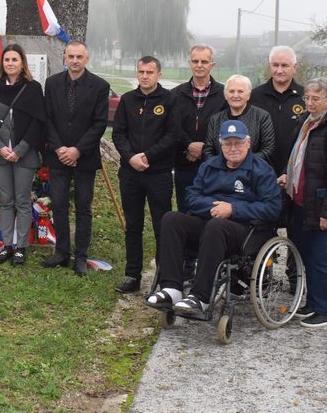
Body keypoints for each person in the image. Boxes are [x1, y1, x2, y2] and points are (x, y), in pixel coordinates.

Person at [144, 120, 281, 314]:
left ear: (248, 143)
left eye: (238, 142)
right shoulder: (209, 166)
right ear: (220, 144)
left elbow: (272, 208)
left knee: (216, 226)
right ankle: (171, 289)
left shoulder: (261, 170)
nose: (233, 148)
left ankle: (201, 297)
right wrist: (213, 207)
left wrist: (233, 209)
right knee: (170, 219)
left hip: (245, 231)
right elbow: (191, 196)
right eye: (228, 143)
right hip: (210, 223)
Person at [278, 78, 327, 328]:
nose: (309, 103)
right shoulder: (308, 122)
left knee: (321, 255)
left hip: (320, 203)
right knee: (307, 254)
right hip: (300, 200)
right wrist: (289, 176)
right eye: (307, 98)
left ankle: (326, 309)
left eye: (315, 99)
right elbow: (302, 159)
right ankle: (313, 301)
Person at [42, 41, 109, 275]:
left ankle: (80, 256)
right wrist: (60, 148)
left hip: (84, 157)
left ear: (87, 59)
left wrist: (77, 150)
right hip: (58, 156)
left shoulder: (100, 86)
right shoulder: (51, 84)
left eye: (79, 56)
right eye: (71, 56)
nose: (75, 60)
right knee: (58, 204)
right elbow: (47, 118)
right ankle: (61, 252)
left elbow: (100, 123)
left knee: (83, 207)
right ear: (64, 57)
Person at [112, 56, 178, 293]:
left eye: (150, 72)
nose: (145, 76)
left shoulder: (170, 100)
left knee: (162, 226)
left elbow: (172, 135)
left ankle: (163, 277)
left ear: (159, 74)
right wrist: (131, 158)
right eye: (141, 72)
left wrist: (148, 157)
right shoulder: (128, 100)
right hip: (130, 174)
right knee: (133, 226)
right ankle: (132, 276)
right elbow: (118, 133)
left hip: (158, 173)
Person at [0, 43, 46, 265]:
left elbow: (37, 123)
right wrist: (0, 147)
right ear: (2, 63)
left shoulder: (33, 88)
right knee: (6, 201)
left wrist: (19, 150)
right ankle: (7, 245)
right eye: (7, 60)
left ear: (22, 64)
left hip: (24, 155)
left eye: (14, 60)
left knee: (22, 201)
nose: (10, 63)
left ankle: (21, 248)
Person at [170, 45, 228, 211]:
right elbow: (173, 125)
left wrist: (204, 148)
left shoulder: (224, 94)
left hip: (214, 165)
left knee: (211, 212)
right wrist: (188, 144)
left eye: (204, 61)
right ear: (190, 63)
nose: (199, 65)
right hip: (184, 163)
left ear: (212, 65)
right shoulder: (175, 94)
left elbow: (224, 126)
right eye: (195, 61)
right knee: (185, 210)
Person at [249, 45, 306, 178]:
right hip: (260, 172)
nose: (279, 70)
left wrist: (289, 171)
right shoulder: (254, 96)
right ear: (270, 66)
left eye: (284, 65)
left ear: (294, 67)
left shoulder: (306, 98)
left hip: (295, 173)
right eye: (275, 65)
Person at [201, 75, 275, 164]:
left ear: (248, 95)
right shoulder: (215, 119)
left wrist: (240, 164)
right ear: (225, 95)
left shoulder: (262, 117)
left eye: (240, 91)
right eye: (231, 91)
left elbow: (268, 149)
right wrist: (225, 165)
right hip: (221, 173)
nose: (235, 95)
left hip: (253, 173)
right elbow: (208, 150)